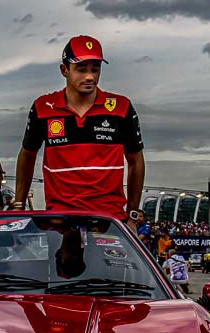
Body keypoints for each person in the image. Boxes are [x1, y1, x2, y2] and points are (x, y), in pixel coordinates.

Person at [13, 35, 145, 221]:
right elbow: (27, 154)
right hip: (59, 219)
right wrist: (19, 204)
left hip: (109, 221)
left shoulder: (121, 107)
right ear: (64, 70)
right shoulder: (43, 108)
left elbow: (136, 160)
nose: (89, 76)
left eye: (95, 69)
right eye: (81, 69)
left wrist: (132, 214)